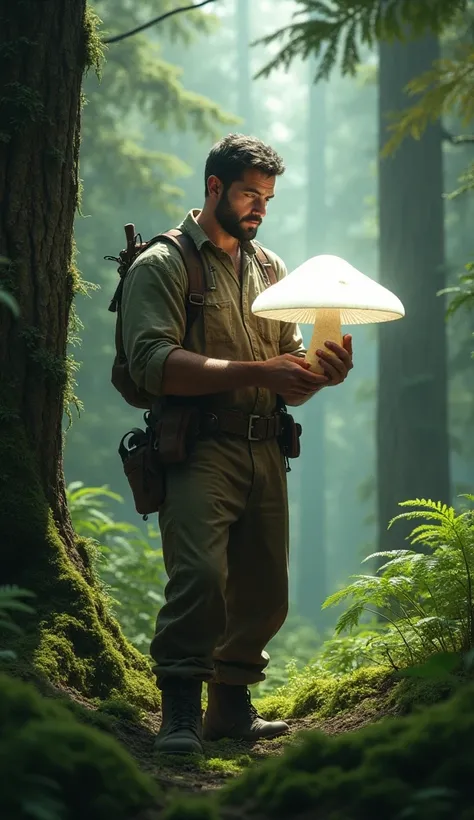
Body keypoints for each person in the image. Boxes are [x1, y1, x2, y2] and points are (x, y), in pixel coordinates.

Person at [121, 133, 353, 755]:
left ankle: (230, 710)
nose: (259, 208)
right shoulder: (163, 264)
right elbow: (151, 364)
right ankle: (178, 713)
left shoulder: (270, 269)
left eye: (268, 197)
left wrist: (317, 375)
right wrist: (261, 373)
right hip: (197, 447)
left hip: (266, 444)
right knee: (198, 576)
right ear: (214, 187)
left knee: (262, 587)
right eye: (250, 193)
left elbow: (288, 378)